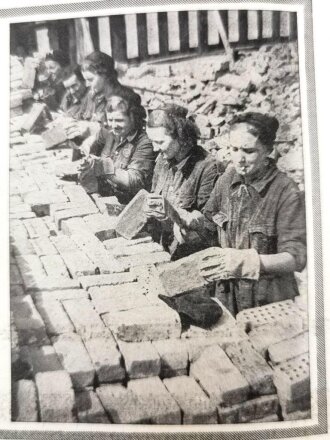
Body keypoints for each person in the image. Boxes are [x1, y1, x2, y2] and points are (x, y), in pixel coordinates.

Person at [198, 112, 306, 316]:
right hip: (228, 295)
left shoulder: (285, 191)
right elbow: (208, 227)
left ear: (268, 150)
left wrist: (246, 262)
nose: (239, 159)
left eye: (248, 151)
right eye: (234, 149)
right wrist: (181, 223)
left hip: (267, 301)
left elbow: (296, 258)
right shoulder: (227, 179)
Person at [144, 104, 221, 260]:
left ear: (181, 137)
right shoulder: (163, 161)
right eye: (151, 141)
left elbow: (208, 228)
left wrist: (174, 215)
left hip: (190, 256)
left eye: (159, 142)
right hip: (162, 248)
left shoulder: (208, 168)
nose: (154, 149)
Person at [77, 94, 155, 204]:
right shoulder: (111, 130)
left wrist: (102, 166)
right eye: (110, 120)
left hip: (127, 203)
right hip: (106, 193)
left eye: (119, 120)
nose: (114, 125)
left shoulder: (145, 142)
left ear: (133, 117)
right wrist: (87, 153)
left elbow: (134, 180)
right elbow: (91, 141)